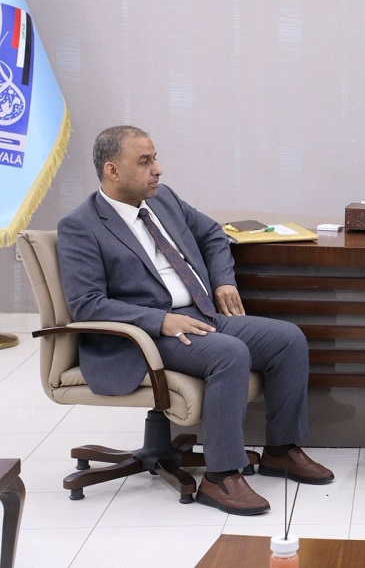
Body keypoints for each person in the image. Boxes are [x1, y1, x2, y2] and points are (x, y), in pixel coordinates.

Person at [57, 125, 333, 516]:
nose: (158, 169)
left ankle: (280, 450)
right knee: (229, 353)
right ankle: (221, 476)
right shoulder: (81, 226)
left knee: (288, 340)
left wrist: (222, 281)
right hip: (142, 335)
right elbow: (87, 304)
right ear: (112, 170)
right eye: (145, 162)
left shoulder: (163, 199)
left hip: (199, 314)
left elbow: (213, 234)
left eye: (155, 159)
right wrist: (162, 321)